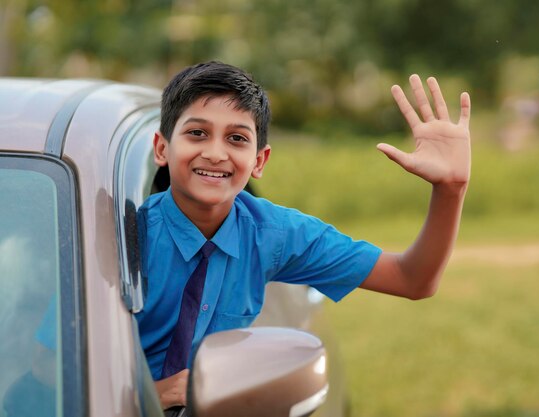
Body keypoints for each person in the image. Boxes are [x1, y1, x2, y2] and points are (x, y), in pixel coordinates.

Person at [135, 61, 471, 410]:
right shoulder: (124, 237)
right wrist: (151, 397)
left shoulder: (275, 235)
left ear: (259, 161)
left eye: (236, 139)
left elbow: (411, 279)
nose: (216, 153)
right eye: (197, 133)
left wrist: (450, 189)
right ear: (161, 148)